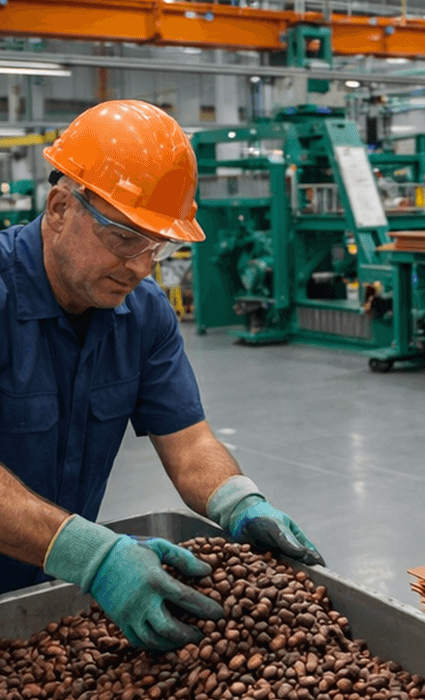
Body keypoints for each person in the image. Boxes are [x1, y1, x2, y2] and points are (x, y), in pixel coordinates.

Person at [0, 99, 324, 651]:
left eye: (157, 246)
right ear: (58, 208)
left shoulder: (143, 312)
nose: (141, 267)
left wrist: (239, 501)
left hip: (45, 596)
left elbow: (190, 441)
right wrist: (93, 555)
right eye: (125, 238)